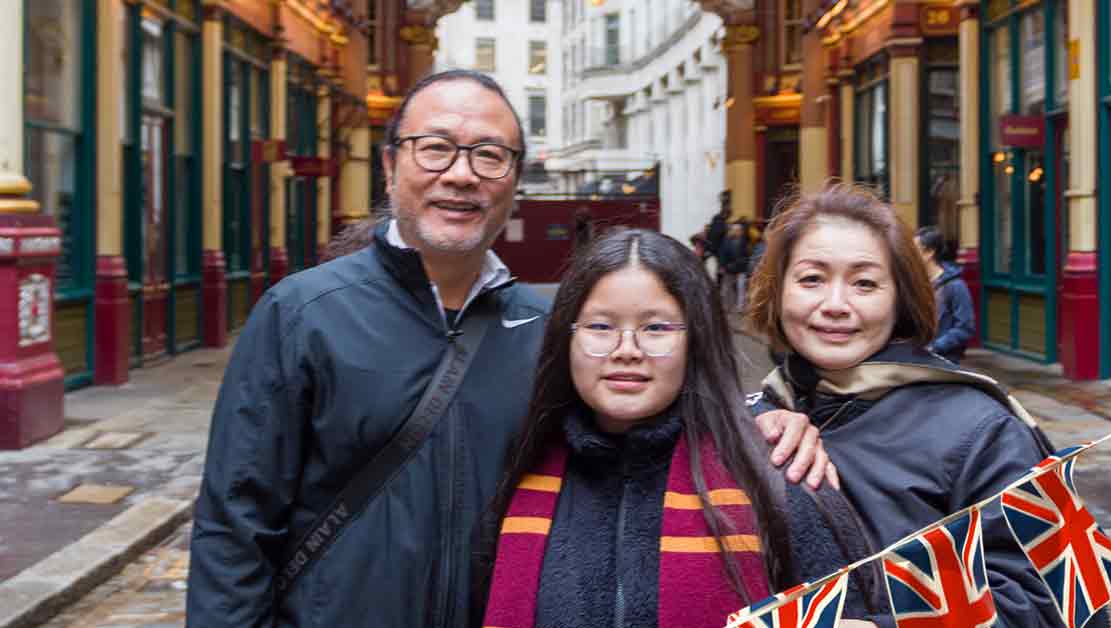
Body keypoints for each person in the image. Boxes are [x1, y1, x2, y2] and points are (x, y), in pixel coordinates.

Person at [186, 69, 828, 628]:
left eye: (489, 155)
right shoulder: (302, 314)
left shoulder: (543, 326)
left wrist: (763, 423)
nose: (460, 174)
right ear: (390, 165)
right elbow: (236, 524)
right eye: (434, 148)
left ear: (515, 178)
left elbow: (639, 426)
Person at [474, 228, 889, 628]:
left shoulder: (777, 479)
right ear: (565, 338)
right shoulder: (514, 473)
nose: (627, 351)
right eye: (600, 327)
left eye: (656, 328)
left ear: (697, 341)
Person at [744, 184, 1094, 627]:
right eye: (812, 279)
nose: (835, 305)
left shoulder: (983, 431)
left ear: (900, 301)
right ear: (777, 293)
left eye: (864, 283)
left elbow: (1052, 603)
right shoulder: (751, 417)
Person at [915, 225, 975, 363]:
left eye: (914, 250)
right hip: (917, 359)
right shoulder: (917, 283)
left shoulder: (955, 286)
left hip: (943, 361)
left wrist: (934, 347)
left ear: (929, 253)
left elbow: (965, 328)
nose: (910, 255)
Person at [719, 220, 751, 310]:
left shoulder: (744, 242)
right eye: (734, 230)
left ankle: (740, 307)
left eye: (738, 230)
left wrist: (741, 264)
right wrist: (722, 266)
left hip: (740, 269)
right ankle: (727, 305)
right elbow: (722, 254)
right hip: (729, 268)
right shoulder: (726, 241)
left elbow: (746, 256)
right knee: (727, 289)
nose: (736, 232)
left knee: (741, 288)